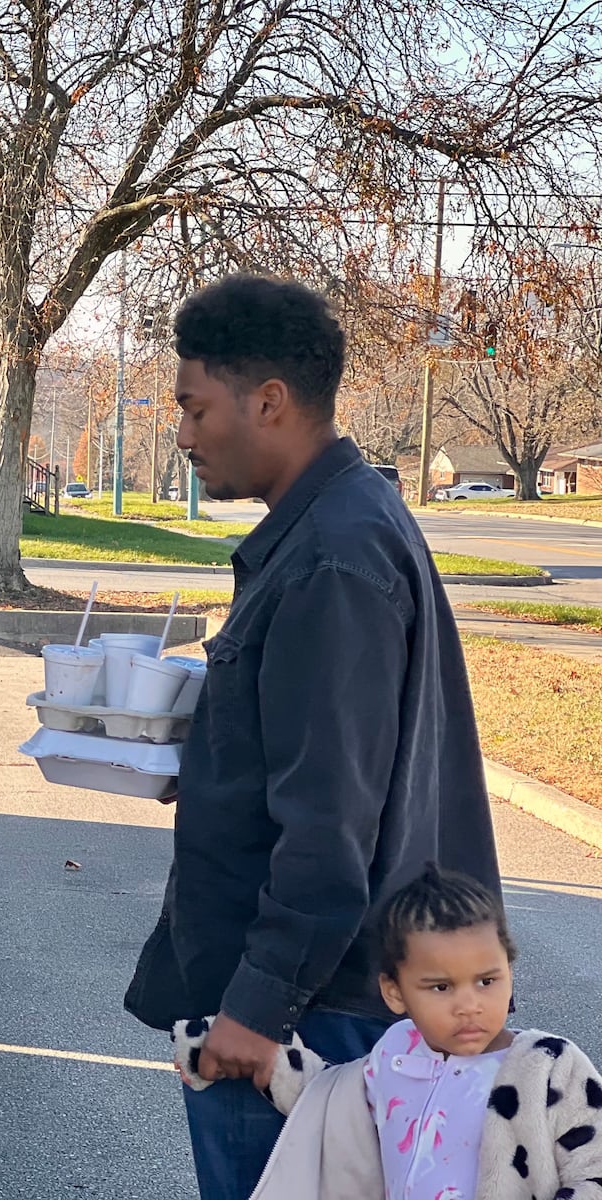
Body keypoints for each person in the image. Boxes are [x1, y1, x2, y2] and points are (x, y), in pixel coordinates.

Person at [122, 275, 501, 1200]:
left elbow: (331, 821)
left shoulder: (333, 559)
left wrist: (256, 1009)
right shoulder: (339, 528)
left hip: (309, 1020)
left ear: (270, 402)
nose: (181, 434)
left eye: (193, 407)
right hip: (327, 998)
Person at [244, 866, 602, 1199]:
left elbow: (594, 1170)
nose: (469, 1005)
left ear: (509, 972)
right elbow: (332, 1102)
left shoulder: (548, 1067)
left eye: (487, 981)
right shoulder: (397, 1053)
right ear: (394, 992)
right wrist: (262, 1053)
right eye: (440, 987)